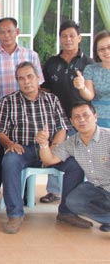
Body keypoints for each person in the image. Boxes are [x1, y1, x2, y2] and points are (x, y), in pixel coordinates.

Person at [0, 61, 89, 234]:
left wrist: (53, 148)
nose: (26, 81)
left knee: (76, 164)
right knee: (9, 160)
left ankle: (67, 212)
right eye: (21, 78)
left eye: (30, 77)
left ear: (38, 78)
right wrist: (10, 144)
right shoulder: (8, 101)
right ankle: (15, 214)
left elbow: (62, 128)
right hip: (23, 149)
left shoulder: (52, 99)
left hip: (51, 147)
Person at [0, 17, 43, 202]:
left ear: (17, 32)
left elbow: (38, 84)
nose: (6, 35)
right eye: (2, 31)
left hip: (24, 116)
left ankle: (24, 194)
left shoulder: (31, 55)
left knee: (21, 152)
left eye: (10, 31)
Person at [41, 20, 92, 204]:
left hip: (82, 119)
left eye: (72, 36)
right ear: (60, 39)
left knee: (83, 156)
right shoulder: (52, 63)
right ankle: (53, 191)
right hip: (57, 118)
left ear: (79, 38)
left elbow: (91, 92)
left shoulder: (88, 63)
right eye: (64, 36)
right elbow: (45, 89)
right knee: (57, 150)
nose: (68, 39)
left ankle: (82, 192)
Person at [37, 102, 110, 232]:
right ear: (71, 121)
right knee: (73, 201)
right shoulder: (72, 142)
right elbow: (49, 159)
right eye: (76, 117)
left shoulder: (108, 137)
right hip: (96, 187)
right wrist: (43, 144)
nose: (81, 120)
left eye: (86, 115)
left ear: (95, 117)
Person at [75, 30, 110, 128]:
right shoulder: (91, 69)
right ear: (96, 52)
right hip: (97, 120)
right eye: (101, 49)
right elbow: (89, 95)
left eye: (109, 47)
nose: (106, 51)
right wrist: (82, 87)